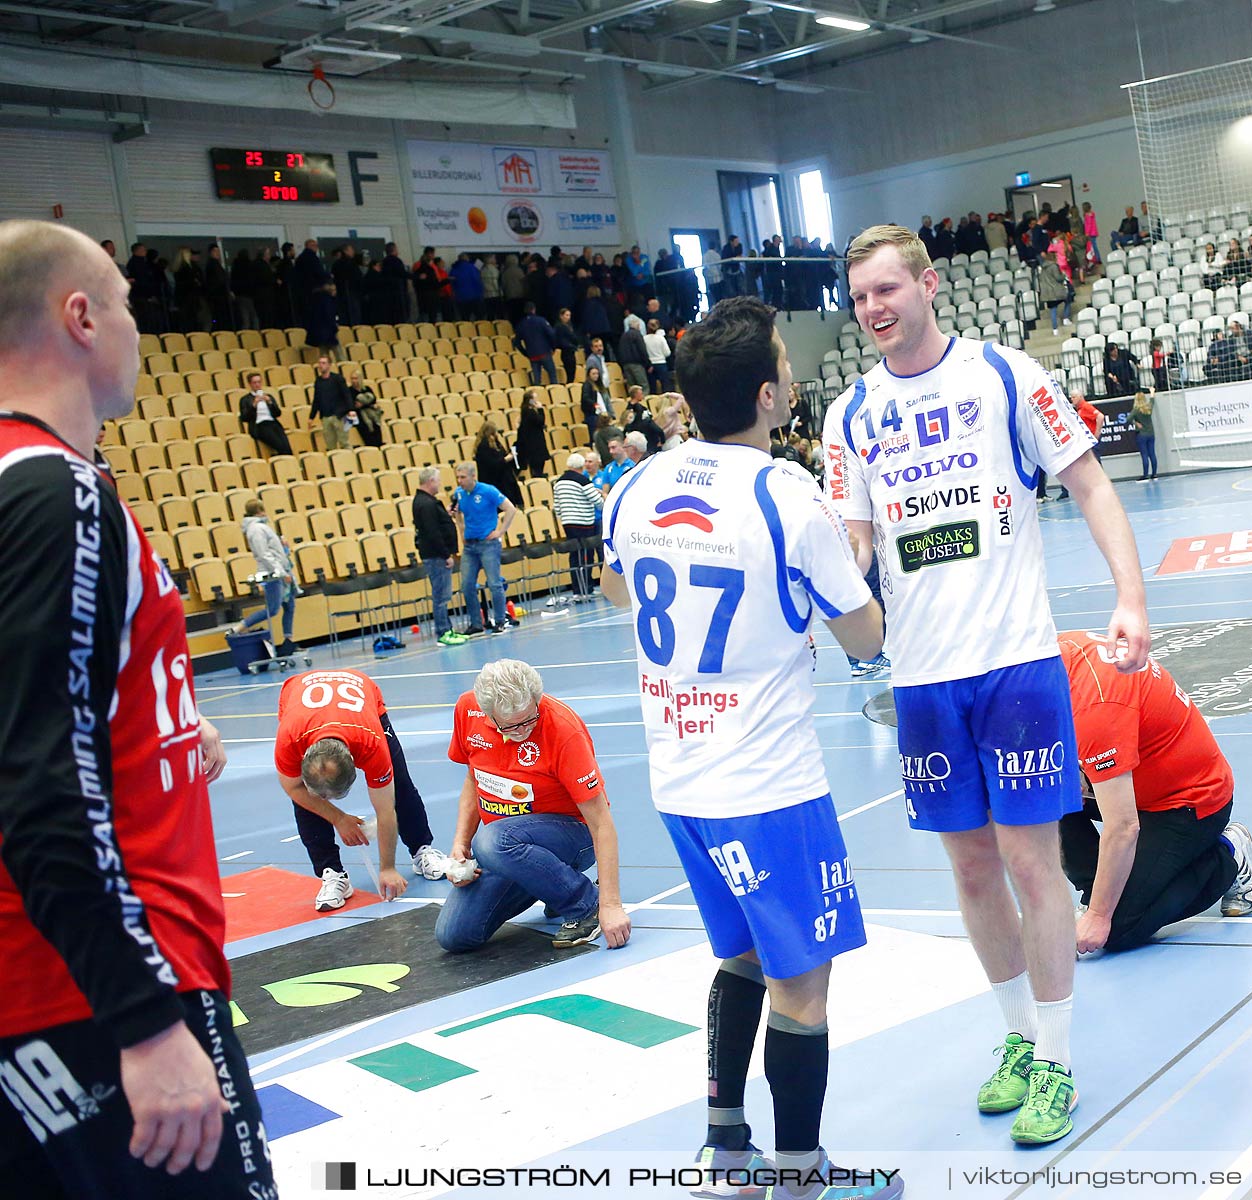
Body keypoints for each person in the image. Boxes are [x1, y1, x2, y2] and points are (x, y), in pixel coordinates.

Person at [823, 225, 1149, 1146]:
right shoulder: (850, 416)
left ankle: (1056, 1058)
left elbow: (1087, 482)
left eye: (887, 290)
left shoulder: (1005, 377)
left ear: (928, 285)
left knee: (1030, 863)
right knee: (969, 869)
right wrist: (833, 574)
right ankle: (1017, 1036)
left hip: (1014, 663)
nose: (874, 310)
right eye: (859, 300)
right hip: (921, 680)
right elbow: (855, 540)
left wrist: (1129, 596)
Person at [0, 220, 277, 1197]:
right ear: (79, 317)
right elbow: (38, 781)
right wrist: (145, 1020)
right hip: (94, 989)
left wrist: (152, 733)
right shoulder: (54, 492)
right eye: (122, 302)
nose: (138, 329)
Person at [601, 295, 896, 1198]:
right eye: (786, 361)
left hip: (679, 779)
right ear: (770, 395)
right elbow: (865, 638)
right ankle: (804, 1174)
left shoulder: (635, 485)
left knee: (738, 955)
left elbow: (619, 593)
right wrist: (855, 561)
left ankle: (727, 1149)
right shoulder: (788, 498)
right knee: (803, 983)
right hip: (765, 785)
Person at [1057, 631, 1252, 953]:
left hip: (1188, 801)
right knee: (1038, 782)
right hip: (1124, 784)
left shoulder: (1097, 703)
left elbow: (1122, 827)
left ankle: (1228, 855)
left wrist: (1099, 915)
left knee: (1117, 930)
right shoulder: (1059, 651)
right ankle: (1094, 889)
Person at [437, 660, 631, 953]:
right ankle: (551, 888)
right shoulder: (467, 709)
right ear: (488, 714)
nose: (523, 730)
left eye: (530, 719)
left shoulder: (563, 730)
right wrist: (460, 845)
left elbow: (601, 821)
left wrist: (611, 904)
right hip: (506, 851)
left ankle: (584, 903)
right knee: (454, 935)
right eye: (511, 725)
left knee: (492, 841)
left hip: (571, 838)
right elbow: (474, 778)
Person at [273, 668, 451, 911]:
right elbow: (293, 788)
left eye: (331, 797)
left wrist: (387, 868)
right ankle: (332, 873)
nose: (326, 800)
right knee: (304, 802)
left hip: (361, 701)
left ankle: (422, 851)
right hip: (299, 699)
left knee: (400, 784)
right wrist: (338, 817)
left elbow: (385, 809)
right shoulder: (289, 740)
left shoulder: (371, 744)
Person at [452, 461, 519, 637]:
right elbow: (457, 513)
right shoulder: (459, 493)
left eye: (463, 477)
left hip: (488, 543)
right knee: (467, 584)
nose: (460, 481)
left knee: (494, 583)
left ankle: (499, 620)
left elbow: (510, 508)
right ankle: (476, 623)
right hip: (470, 545)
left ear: (473, 476)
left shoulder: (487, 490)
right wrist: (461, 531)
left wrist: (500, 531)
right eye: (458, 477)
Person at [233, 499, 297, 653]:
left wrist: (283, 546)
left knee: (290, 606)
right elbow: (264, 554)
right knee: (273, 609)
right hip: (272, 574)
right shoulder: (255, 529)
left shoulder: (262, 527)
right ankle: (238, 628)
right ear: (259, 511)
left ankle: (289, 642)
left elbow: (273, 550)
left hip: (281, 570)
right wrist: (281, 574)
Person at [412, 466, 466, 646]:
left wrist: (446, 514)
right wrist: (446, 555)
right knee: (441, 596)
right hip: (436, 556)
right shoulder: (426, 503)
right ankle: (443, 631)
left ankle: (447, 629)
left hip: (435, 555)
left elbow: (436, 523)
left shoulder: (426, 501)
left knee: (442, 595)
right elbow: (432, 532)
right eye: (438, 480)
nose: (440, 484)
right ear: (430, 481)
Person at [552, 451, 600, 599]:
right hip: (584, 522)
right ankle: (587, 588)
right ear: (582, 466)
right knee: (586, 555)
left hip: (568, 523)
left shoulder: (558, 482)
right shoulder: (583, 481)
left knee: (574, 556)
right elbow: (597, 501)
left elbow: (557, 507)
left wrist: (565, 518)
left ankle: (577, 590)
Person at [236, 369, 292, 456]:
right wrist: (254, 405)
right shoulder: (245, 399)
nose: (257, 385)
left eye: (259, 382)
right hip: (259, 425)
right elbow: (244, 417)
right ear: (250, 384)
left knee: (287, 445)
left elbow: (278, 413)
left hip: (273, 423)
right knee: (280, 445)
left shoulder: (268, 396)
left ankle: (284, 459)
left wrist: (270, 402)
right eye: (254, 382)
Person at [474, 419, 524, 507]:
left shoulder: (496, 443)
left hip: (504, 481)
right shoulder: (483, 446)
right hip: (494, 482)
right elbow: (492, 464)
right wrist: (506, 459)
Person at [309, 352, 352, 451]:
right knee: (330, 445)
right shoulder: (318, 381)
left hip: (339, 415)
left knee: (344, 442)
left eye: (324, 363)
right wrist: (311, 417)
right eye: (320, 363)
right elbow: (316, 400)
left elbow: (347, 395)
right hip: (325, 416)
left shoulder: (338, 379)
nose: (321, 365)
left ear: (329, 365)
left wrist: (350, 410)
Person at [513, 302, 558, 386]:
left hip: (532, 355)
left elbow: (517, 342)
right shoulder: (541, 320)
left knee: (537, 380)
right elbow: (552, 334)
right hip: (544, 352)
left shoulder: (521, 324)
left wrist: (526, 353)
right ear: (534, 309)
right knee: (552, 376)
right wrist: (553, 347)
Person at [516, 390, 551, 480]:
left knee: (539, 465)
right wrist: (540, 409)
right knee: (537, 467)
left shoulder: (526, 411)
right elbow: (540, 421)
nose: (537, 400)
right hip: (534, 445)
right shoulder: (529, 412)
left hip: (535, 443)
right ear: (530, 400)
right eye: (535, 399)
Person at [1131, 391, 1157, 480]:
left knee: (1144, 455)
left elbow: (1127, 419)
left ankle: (1145, 475)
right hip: (1151, 434)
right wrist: (1152, 392)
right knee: (1152, 454)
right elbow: (1152, 400)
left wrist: (1136, 422)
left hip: (1141, 434)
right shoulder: (1148, 408)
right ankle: (1154, 474)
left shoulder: (1136, 410)